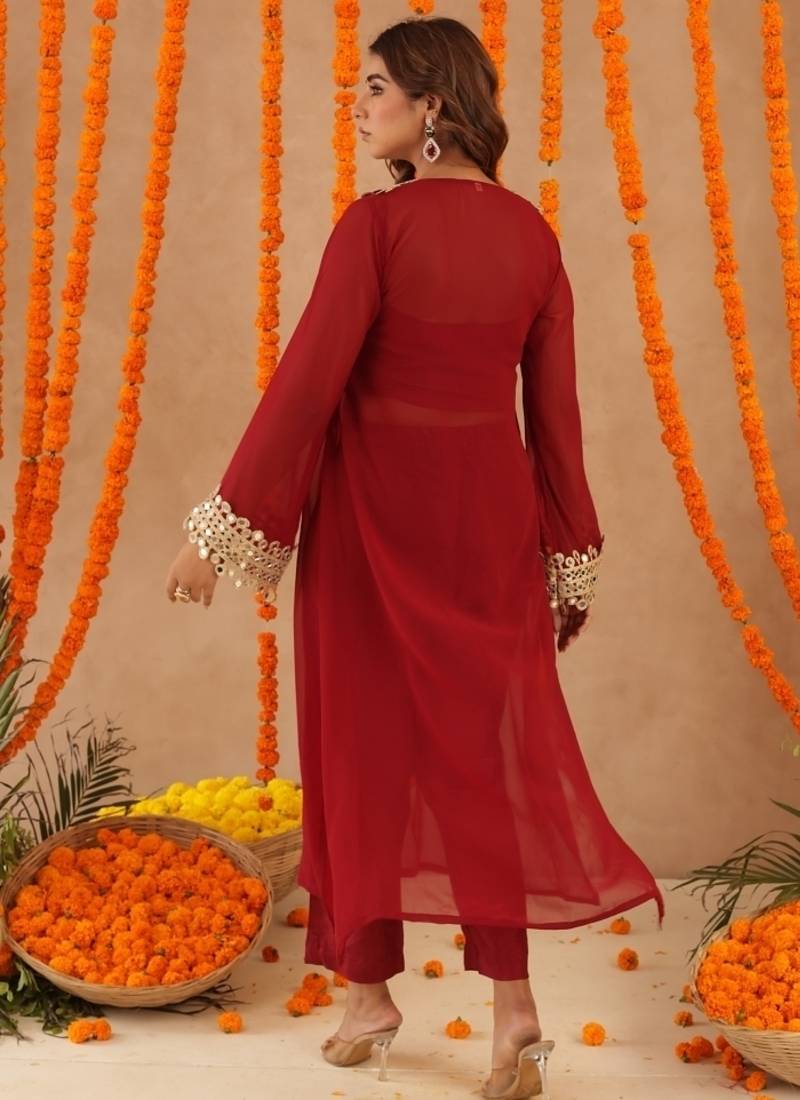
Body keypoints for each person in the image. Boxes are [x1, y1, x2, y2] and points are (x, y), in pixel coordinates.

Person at [165, 15, 664, 1100]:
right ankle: (514, 1017)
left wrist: (221, 529)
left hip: (371, 522)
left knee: (359, 749)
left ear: (432, 106)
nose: (359, 105)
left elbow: (307, 383)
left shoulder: (376, 228)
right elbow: (558, 421)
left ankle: (368, 998)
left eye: (376, 86)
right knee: (482, 754)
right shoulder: (532, 239)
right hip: (487, 525)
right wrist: (567, 553)